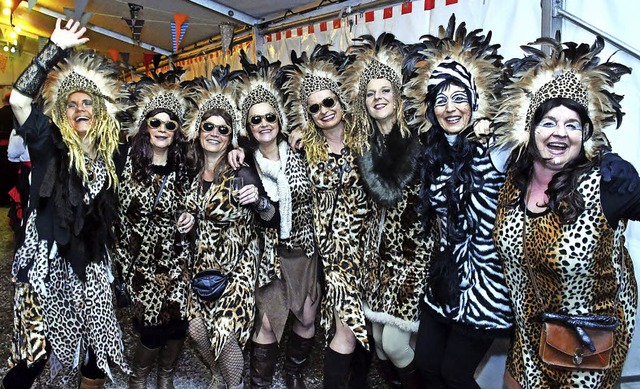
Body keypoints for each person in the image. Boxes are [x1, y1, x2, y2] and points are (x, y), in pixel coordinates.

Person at [491, 36, 639, 389]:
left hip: (587, 343)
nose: (560, 133)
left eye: (572, 124)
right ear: (530, 129)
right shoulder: (515, 177)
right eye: (548, 122)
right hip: (528, 333)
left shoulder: (608, 182)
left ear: (585, 133)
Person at [3, 19, 129, 388]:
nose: (79, 109)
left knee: (96, 353)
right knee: (34, 355)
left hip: (90, 265)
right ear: (61, 112)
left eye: (87, 101)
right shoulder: (47, 142)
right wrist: (51, 49)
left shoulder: (112, 155)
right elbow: (18, 100)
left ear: (100, 110)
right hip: (45, 266)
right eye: (70, 104)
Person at [402, 16, 514, 388]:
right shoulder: (433, 153)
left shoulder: (495, 150)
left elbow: (545, 140)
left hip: (485, 286)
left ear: (474, 101)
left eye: (459, 98)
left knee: (454, 373)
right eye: (441, 100)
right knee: (427, 364)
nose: (450, 108)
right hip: (444, 281)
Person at [342, 33, 433, 389]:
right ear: (363, 100)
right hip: (375, 256)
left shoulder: (420, 140)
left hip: (412, 254)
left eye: (385, 91)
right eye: (370, 93)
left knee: (395, 344)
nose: (378, 98)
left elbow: (398, 195)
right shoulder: (364, 141)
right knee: (379, 344)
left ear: (398, 95)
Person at [283, 45, 377, 388]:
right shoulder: (303, 148)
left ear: (341, 102)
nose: (323, 111)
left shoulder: (367, 140)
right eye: (314, 107)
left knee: (365, 326)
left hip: (371, 248)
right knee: (347, 329)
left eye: (328, 102)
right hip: (334, 254)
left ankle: (358, 381)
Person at [184, 77, 277, 389]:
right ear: (199, 131)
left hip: (236, 269)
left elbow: (269, 214)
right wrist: (182, 218)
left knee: (225, 332)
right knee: (197, 331)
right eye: (209, 127)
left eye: (223, 130)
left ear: (231, 138)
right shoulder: (189, 172)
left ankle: (232, 384)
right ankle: (218, 376)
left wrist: (260, 200)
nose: (215, 134)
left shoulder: (242, 170)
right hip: (198, 269)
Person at [235, 61, 319, 389]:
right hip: (271, 255)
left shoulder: (301, 152)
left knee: (307, 318)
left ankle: (294, 372)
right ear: (249, 126)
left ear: (280, 120)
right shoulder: (244, 164)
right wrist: (259, 201)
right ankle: (261, 382)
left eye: (270, 116)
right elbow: (265, 219)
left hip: (304, 251)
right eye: (256, 119)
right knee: (268, 324)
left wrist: (304, 132)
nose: (264, 124)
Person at [113, 82, 195, 389]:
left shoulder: (183, 163)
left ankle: (165, 377)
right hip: (139, 265)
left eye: (169, 124)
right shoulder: (124, 161)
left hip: (176, 262)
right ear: (145, 126)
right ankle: (139, 378)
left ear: (176, 131)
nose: (162, 128)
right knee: (151, 330)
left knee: (177, 326)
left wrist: (189, 214)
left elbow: (191, 200)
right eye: (156, 122)